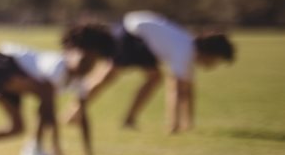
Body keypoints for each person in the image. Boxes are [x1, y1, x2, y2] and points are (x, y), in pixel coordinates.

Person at [64, 11, 235, 134]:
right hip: (133, 34)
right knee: (109, 75)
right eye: (216, 60)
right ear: (209, 53)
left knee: (149, 78)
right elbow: (176, 88)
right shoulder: (183, 50)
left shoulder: (186, 48)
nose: (213, 65)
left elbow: (188, 89)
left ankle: (124, 119)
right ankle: (75, 112)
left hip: (137, 34)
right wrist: (174, 125)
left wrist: (188, 123)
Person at [0, 24, 115, 155]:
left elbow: (82, 116)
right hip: (2, 63)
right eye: (83, 59)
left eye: (90, 62)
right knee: (46, 101)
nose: (85, 65)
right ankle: (34, 154)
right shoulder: (57, 66)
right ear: (71, 52)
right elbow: (50, 114)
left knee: (17, 128)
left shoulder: (80, 81)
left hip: (15, 73)